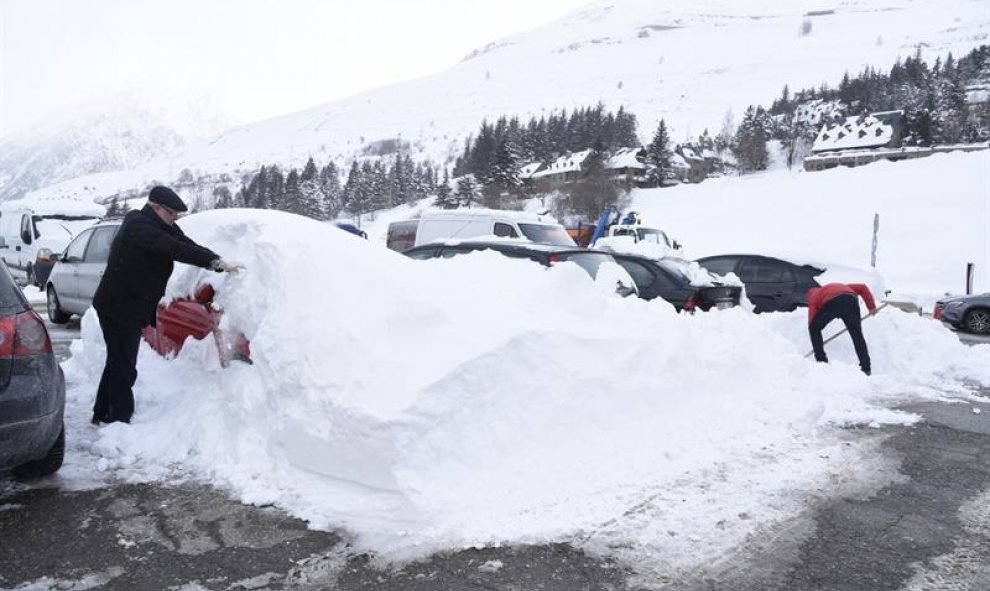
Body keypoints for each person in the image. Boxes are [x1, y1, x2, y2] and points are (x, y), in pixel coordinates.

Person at [91, 186, 241, 424]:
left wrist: (217, 260)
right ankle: (119, 419)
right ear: (156, 208)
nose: (175, 219)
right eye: (172, 214)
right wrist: (214, 263)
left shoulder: (161, 224)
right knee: (124, 365)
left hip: (127, 305)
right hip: (118, 307)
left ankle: (103, 412)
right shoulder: (139, 227)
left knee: (117, 361)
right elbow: (176, 249)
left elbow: (186, 242)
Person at [807, 283, 877, 375]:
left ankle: (821, 362)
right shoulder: (842, 286)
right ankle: (866, 368)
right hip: (851, 300)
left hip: (833, 302)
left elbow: (811, 322)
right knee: (857, 335)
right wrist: (871, 307)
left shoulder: (813, 296)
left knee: (814, 328)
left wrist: (813, 328)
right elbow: (862, 287)